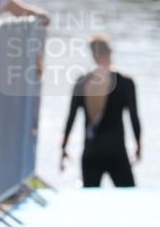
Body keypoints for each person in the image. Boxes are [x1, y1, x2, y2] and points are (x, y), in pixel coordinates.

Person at [61, 34, 142, 188]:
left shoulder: (82, 82)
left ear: (93, 54)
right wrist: (138, 146)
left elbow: (70, 118)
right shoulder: (125, 83)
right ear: (110, 52)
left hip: (91, 151)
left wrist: (63, 148)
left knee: (90, 203)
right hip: (116, 151)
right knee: (130, 200)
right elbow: (134, 118)